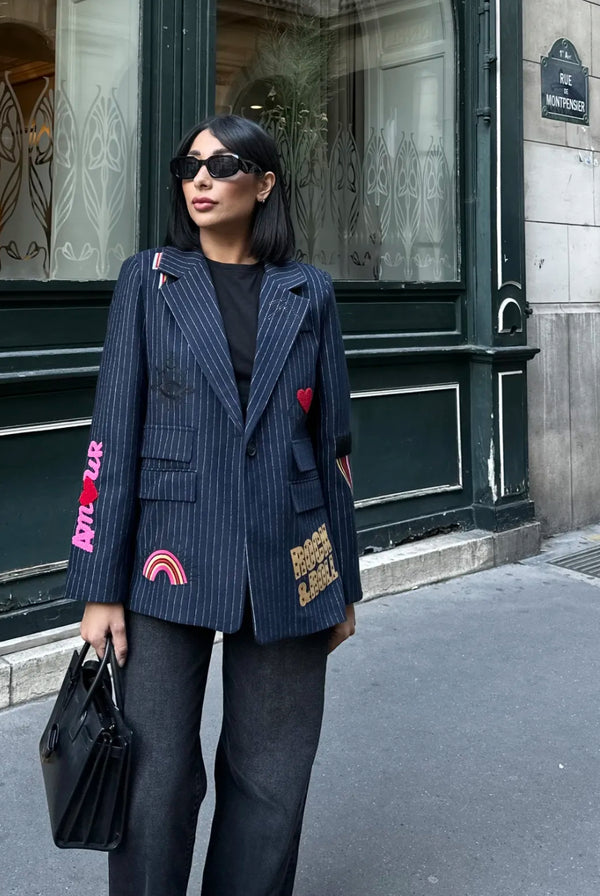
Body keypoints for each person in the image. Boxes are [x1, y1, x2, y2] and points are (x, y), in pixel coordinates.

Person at [64, 113, 362, 896]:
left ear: (263, 184)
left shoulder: (310, 292)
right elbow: (111, 434)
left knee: (272, 780)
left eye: (223, 164)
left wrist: (342, 584)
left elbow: (333, 446)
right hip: (168, 549)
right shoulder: (149, 278)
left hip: (289, 556)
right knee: (155, 776)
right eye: (189, 164)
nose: (200, 178)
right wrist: (99, 585)